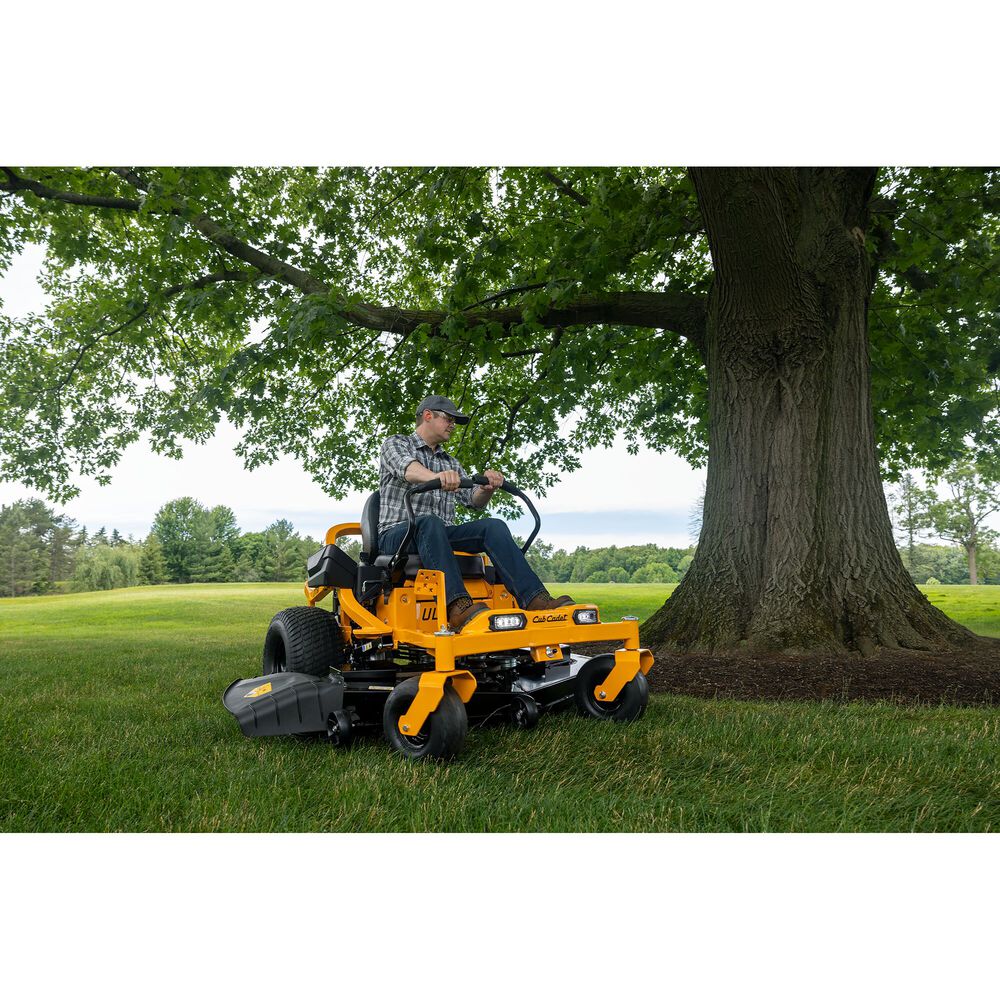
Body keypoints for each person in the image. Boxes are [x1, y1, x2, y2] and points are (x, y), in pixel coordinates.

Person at [378, 394, 574, 632]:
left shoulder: (451, 462)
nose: (452, 425)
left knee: (493, 526)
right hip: (398, 534)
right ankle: (458, 606)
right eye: (449, 419)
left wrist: (486, 488)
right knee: (429, 523)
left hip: (438, 534)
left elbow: (473, 501)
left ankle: (536, 599)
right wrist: (437, 478)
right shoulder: (396, 444)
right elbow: (408, 470)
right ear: (428, 415)